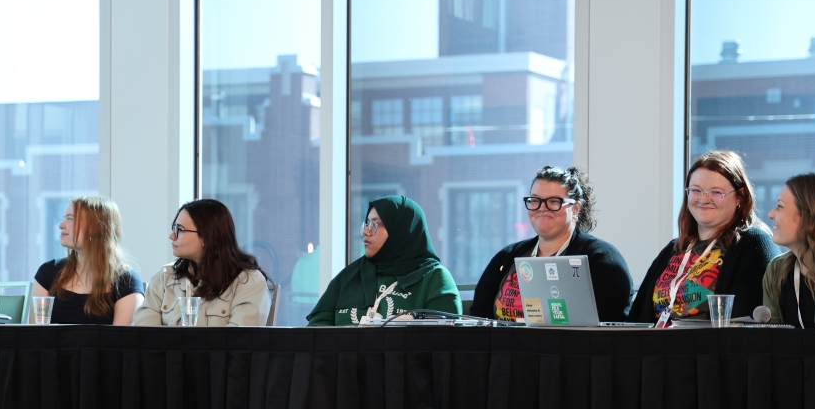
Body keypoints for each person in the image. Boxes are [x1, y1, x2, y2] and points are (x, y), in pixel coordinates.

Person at [629, 150, 779, 325]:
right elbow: (636, 318)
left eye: (716, 192)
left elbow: (746, 327)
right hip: (656, 349)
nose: (703, 199)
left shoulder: (753, 244)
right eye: (696, 190)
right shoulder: (674, 249)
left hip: (709, 351)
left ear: (740, 196)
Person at [470, 166, 633, 323]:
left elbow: (602, 333)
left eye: (554, 201)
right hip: (504, 350)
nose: (542, 208)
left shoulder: (603, 261)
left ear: (575, 209)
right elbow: (479, 319)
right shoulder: (507, 258)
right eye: (535, 200)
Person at [307, 195, 461, 325]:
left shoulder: (435, 279)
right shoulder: (350, 275)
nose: (366, 231)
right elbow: (316, 331)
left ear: (400, 230)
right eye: (367, 224)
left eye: (374, 224)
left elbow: (444, 341)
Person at [133, 199, 271, 326]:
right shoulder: (164, 278)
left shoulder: (249, 282)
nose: (172, 235)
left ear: (207, 237)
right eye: (174, 228)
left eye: (180, 229)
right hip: (168, 354)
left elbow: (238, 344)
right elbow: (144, 337)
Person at [32, 196, 144, 324]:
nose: (61, 225)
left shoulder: (127, 281)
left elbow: (120, 341)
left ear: (94, 229)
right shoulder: (47, 273)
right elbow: (36, 335)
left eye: (70, 219)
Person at [761, 173, 815, 328]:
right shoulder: (776, 270)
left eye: (780, 206)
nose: (771, 214)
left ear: (810, 217)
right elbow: (771, 344)